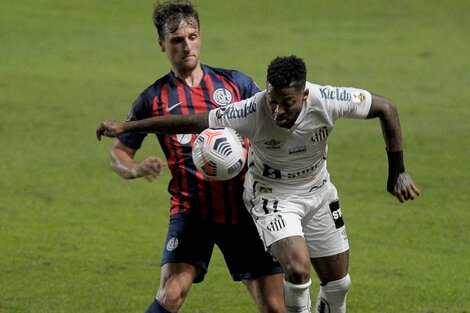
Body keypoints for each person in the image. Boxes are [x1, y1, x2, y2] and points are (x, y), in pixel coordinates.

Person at [96, 55, 420, 313]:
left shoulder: (329, 99)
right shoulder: (252, 110)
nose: (277, 110)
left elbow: (386, 108)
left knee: (338, 285)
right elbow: (193, 121)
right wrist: (129, 125)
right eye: (273, 100)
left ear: (305, 95)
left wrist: (398, 172)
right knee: (297, 268)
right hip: (270, 194)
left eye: (287, 103)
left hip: (318, 193)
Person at [100, 1, 286, 313]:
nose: (187, 46)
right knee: (171, 294)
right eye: (176, 40)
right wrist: (134, 169)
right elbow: (119, 151)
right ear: (162, 45)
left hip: (245, 210)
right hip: (192, 211)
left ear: (200, 37)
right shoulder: (153, 99)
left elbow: (272, 127)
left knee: (274, 306)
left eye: (192, 36)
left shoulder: (236, 84)